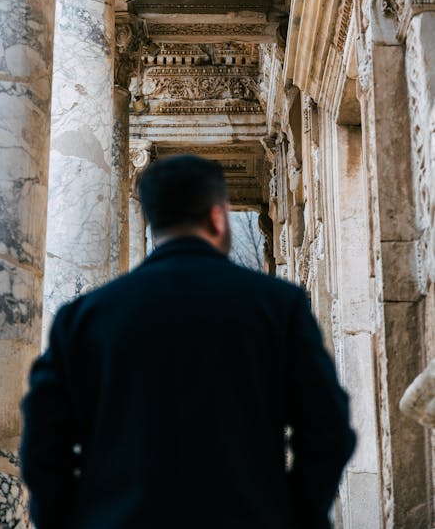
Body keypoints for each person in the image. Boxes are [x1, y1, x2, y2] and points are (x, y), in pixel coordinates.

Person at [20, 154, 356, 529]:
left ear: (152, 220)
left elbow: (43, 447)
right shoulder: (277, 305)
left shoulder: (82, 318)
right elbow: (327, 429)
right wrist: (295, 515)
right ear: (217, 216)